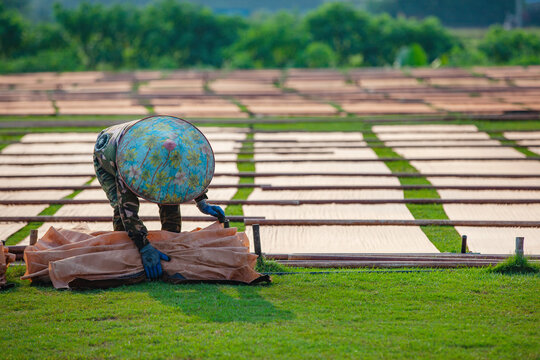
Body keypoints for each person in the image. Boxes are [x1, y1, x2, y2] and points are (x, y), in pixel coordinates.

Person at [93, 115, 225, 280]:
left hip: (139, 144)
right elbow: (127, 211)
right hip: (105, 155)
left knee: (169, 196)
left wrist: (202, 201)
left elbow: (188, 175)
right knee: (119, 210)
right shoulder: (129, 163)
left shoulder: (177, 149)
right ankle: (125, 254)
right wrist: (143, 246)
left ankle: (170, 249)